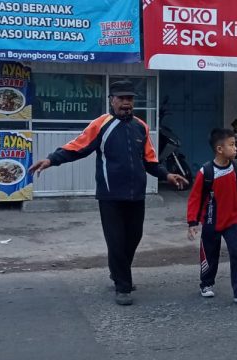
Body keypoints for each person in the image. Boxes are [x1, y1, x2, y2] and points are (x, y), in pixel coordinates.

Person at [28, 80, 189, 306]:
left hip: (136, 196)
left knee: (133, 239)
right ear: (111, 100)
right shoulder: (101, 124)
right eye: (121, 98)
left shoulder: (140, 127)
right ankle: (122, 286)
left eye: (130, 99)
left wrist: (167, 175)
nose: (126, 103)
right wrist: (51, 160)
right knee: (116, 241)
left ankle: (118, 272)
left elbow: (150, 161)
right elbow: (77, 147)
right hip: (110, 196)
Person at [186, 128, 237, 303]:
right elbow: (195, 198)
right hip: (211, 222)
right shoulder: (206, 172)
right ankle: (206, 284)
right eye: (232, 145)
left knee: (236, 253)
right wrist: (192, 222)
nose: (235, 148)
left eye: (235, 144)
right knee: (210, 254)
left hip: (231, 221)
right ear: (219, 149)